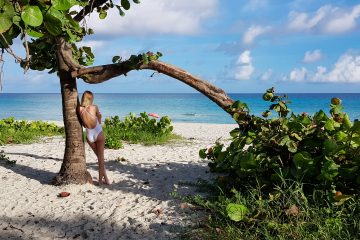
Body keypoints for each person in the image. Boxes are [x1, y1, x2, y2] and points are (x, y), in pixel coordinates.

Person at [79, 91, 109, 185]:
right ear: (91, 98)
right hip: (98, 133)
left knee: (99, 157)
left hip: (89, 135)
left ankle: (106, 179)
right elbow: (99, 121)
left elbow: (83, 124)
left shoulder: (79, 109)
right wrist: (99, 116)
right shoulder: (94, 107)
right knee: (101, 159)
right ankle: (101, 181)